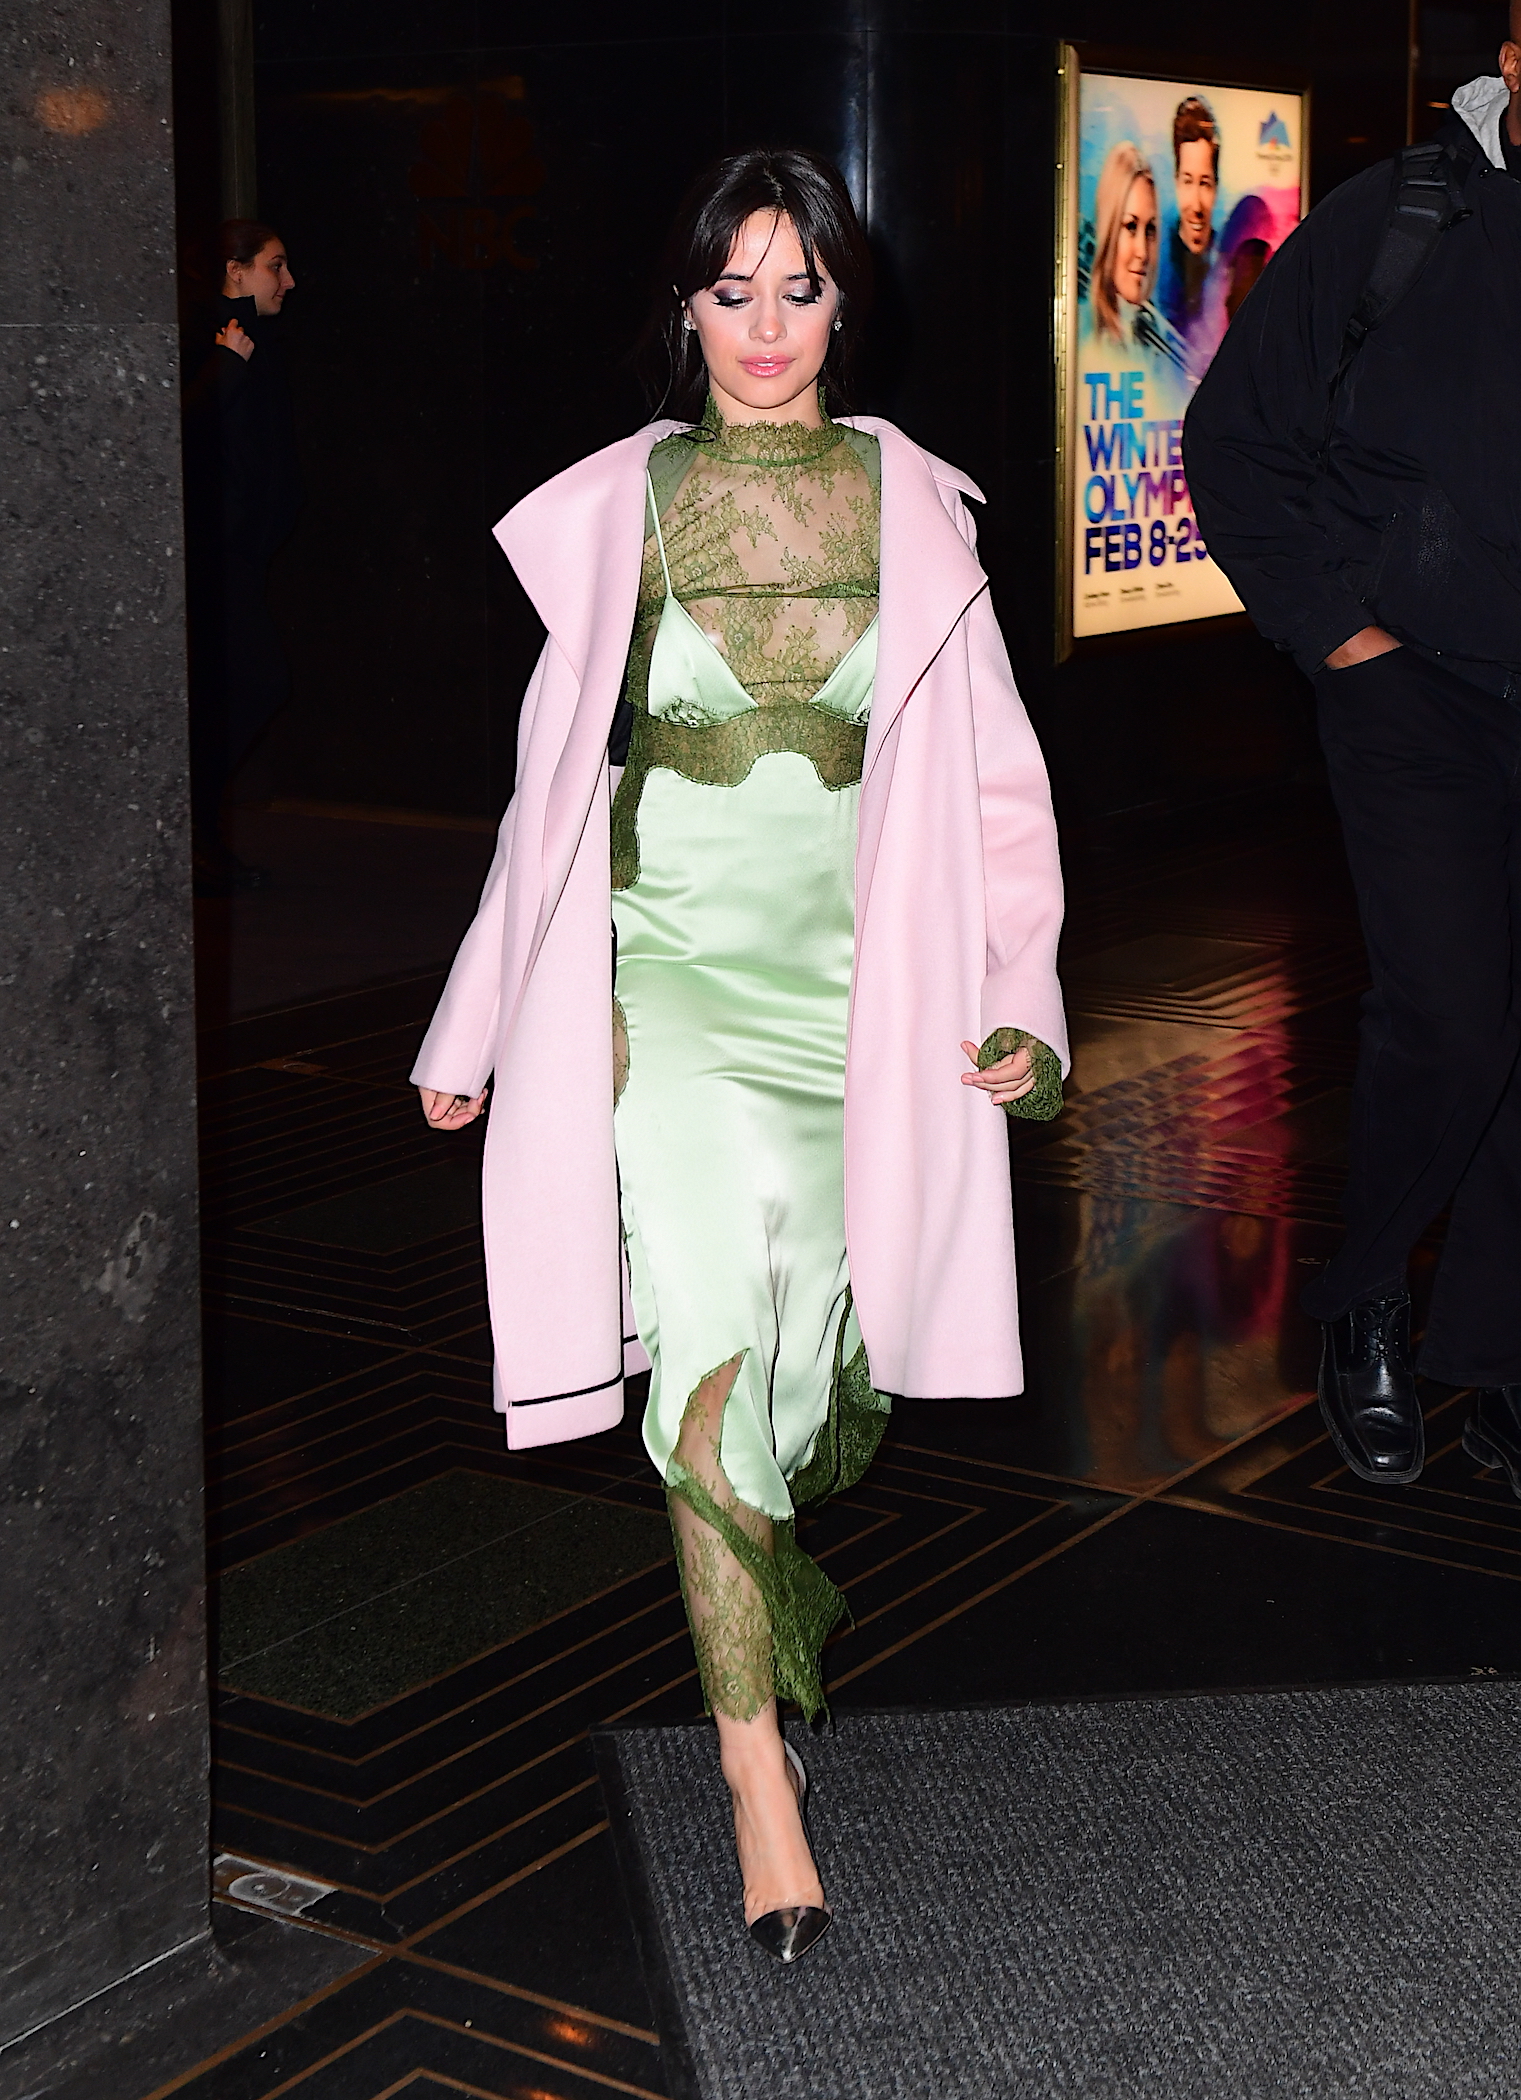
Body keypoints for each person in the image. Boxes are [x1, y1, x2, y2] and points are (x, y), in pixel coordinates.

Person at [410, 148, 1067, 1961]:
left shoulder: (912, 505)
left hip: (864, 988)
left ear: (844, 305)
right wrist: (477, 1016)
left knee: (793, 1368)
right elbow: (548, 797)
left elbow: (1002, 789)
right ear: (685, 308)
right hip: (674, 979)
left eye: (798, 289)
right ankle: (753, 1775)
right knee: (708, 1348)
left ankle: (758, 1625)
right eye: (732, 291)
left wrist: (1021, 1001)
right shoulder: (624, 505)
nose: (765, 328)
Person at [1183, 20, 1521, 1495]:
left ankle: (1498, 1355)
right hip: (1416, 692)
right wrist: (1341, 637)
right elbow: (1236, 440)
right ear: (1514, 54)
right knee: (1451, 1019)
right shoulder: (1402, 214)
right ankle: (1367, 1293)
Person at [180, 220, 302, 894]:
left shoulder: (258, 340)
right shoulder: (210, 338)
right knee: (256, 682)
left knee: (234, 688)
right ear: (235, 270)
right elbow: (182, 429)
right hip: (212, 557)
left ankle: (194, 828)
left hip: (241, 556)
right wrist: (226, 364)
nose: (288, 281)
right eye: (274, 266)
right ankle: (186, 815)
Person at [1156, 97, 1221, 351]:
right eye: (1187, 181)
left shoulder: (1227, 264)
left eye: (1204, 183)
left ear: (1216, 187)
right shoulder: (1156, 262)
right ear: (1175, 183)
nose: (1196, 205)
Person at [1090, 142, 1160, 345]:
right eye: (1131, 227)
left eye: (1150, 229)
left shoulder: (1151, 339)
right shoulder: (1090, 344)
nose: (1142, 252)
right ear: (1108, 230)